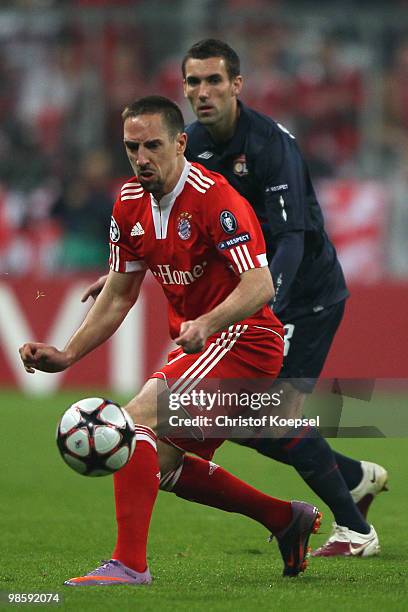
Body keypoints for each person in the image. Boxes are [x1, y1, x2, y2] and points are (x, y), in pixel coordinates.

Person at [83, 40, 387, 557]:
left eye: (214, 81)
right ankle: (353, 478)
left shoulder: (272, 146)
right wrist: (124, 271)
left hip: (303, 294)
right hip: (252, 298)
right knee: (246, 419)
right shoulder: (186, 143)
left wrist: (271, 301)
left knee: (268, 411)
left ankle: (355, 527)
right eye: (193, 82)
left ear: (237, 86)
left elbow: (292, 238)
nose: (203, 92)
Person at [19, 96, 322, 585]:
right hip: (202, 345)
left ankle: (129, 566)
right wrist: (68, 353)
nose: (142, 158)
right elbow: (119, 294)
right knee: (162, 463)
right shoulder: (128, 203)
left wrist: (207, 322)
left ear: (180, 143)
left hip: (244, 340)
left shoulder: (214, 198)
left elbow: (261, 285)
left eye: (153, 145)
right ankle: (285, 518)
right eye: (131, 147)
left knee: (132, 420)